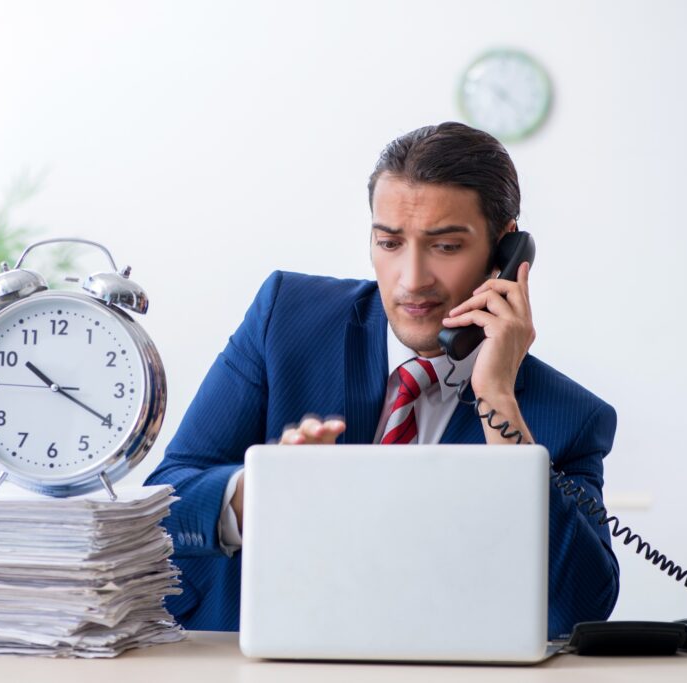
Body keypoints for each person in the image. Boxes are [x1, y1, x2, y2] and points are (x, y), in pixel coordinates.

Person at [144, 122, 619, 639]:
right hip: (243, 658)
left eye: (445, 247)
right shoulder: (286, 319)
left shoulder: (566, 416)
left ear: (506, 255)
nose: (411, 279)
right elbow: (164, 502)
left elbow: (577, 605)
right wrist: (256, 496)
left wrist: (497, 402)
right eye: (390, 243)